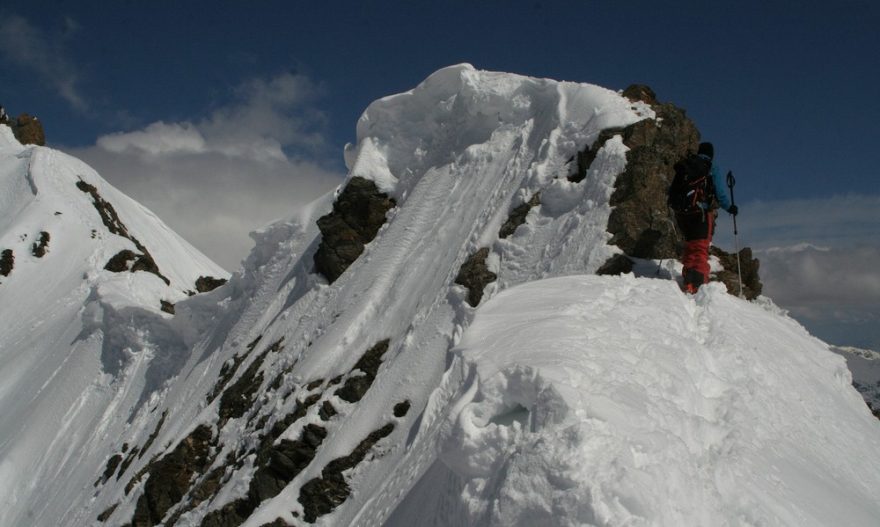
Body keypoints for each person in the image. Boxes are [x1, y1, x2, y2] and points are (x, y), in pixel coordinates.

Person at [671, 142, 738, 293]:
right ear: (711, 155)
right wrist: (730, 208)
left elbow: (672, 190)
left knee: (690, 247)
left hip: (681, 214)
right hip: (699, 212)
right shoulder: (710, 167)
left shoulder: (686, 165)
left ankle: (688, 277)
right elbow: (720, 193)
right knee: (700, 248)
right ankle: (697, 285)